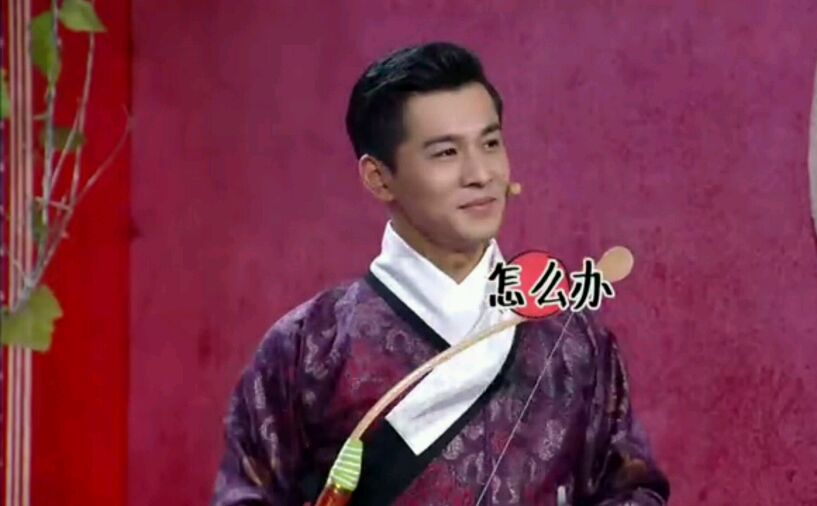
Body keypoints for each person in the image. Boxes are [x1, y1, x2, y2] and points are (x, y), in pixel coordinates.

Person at [212, 41, 670, 506]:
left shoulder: (574, 340)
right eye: (446, 153)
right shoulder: (307, 348)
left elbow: (633, 490)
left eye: (490, 143)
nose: (481, 174)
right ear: (378, 177)